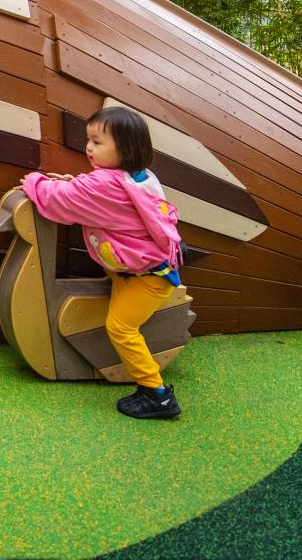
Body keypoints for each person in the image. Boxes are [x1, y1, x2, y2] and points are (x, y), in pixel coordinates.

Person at [19, 106, 186, 419]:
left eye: (97, 141)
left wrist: (33, 181)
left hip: (147, 278)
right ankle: (151, 389)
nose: (89, 147)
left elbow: (60, 199)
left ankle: (157, 395)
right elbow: (95, 193)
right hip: (136, 273)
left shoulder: (105, 185)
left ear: (125, 148)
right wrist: (76, 184)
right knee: (118, 314)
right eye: (89, 140)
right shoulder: (139, 176)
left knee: (121, 327)